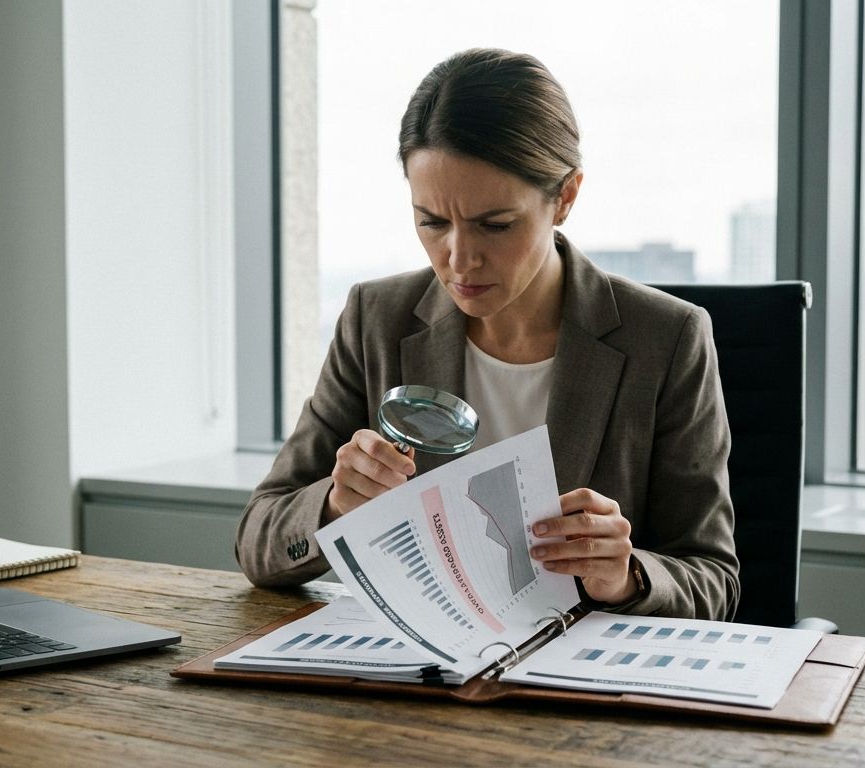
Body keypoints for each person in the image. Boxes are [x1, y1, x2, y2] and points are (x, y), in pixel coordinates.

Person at [235, 48, 738, 620]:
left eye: (495, 225)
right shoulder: (376, 318)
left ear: (565, 197)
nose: (459, 260)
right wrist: (331, 506)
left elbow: (713, 578)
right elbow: (259, 540)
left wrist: (626, 577)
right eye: (432, 221)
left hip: (576, 680)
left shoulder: (668, 338)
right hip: (420, 676)